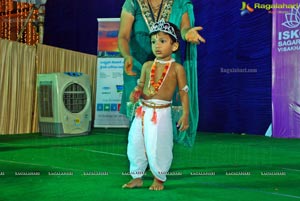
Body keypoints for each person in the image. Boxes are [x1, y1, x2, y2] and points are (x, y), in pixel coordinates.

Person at [118, 0, 205, 146]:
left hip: (167, 69)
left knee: (163, 116)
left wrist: (186, 33)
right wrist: (127, 56)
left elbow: (184, 29)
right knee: (139, 117)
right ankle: (141, 156)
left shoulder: (179, 4)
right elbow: (123, 36)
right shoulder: (133, 3)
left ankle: (159, 157)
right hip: (138, 67)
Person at [122, 20, 189, 191]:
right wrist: (136, 92)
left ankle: (159, 178)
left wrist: (185, 114)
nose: (156, 46)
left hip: (161, 114)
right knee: (135, 143)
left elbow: (183, 92)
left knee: (158, 145)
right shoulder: (147, 65)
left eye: (162, 41)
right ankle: (136, 176)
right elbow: (141, 85)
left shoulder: (177, 68)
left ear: (174, 46)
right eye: (153, 42)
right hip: (142, 110)